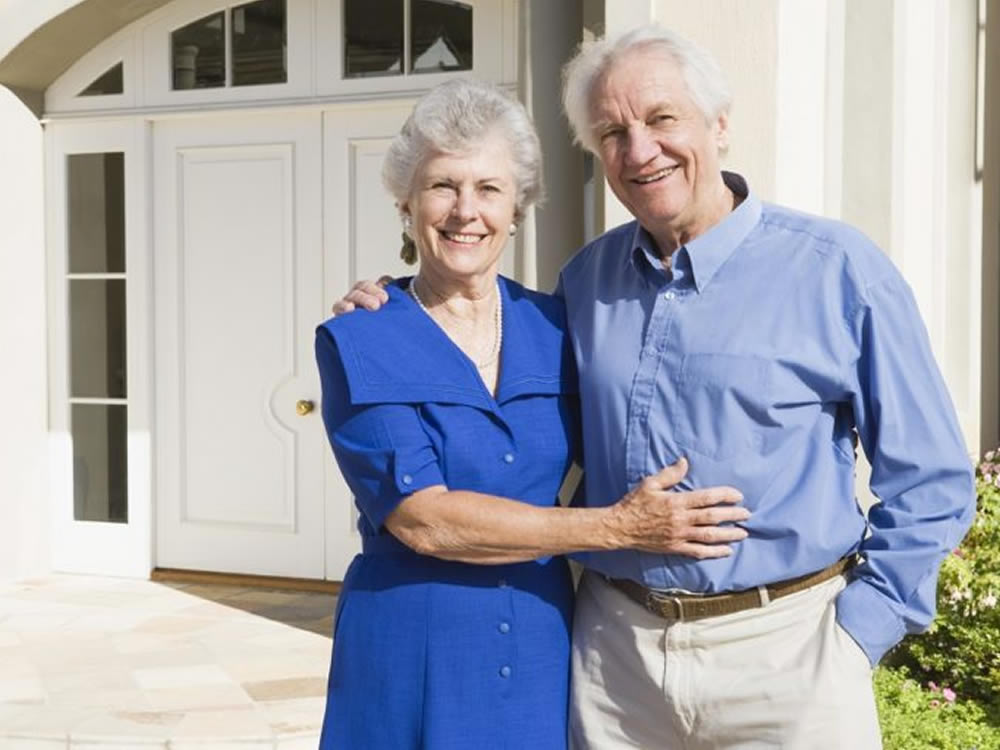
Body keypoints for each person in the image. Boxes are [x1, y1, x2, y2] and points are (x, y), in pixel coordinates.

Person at [333, 26, 977, 749]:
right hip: (616, 662)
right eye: (612, 132)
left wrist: (860, 634)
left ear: (721, 124)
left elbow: (933, 478)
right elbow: (458, 369)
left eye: (662, 119)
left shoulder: (836, 271)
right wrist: (389, 302)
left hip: (788, 658)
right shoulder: (586, 283)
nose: (640, 150)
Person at [315, 77, 750, 749]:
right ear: (406, 203)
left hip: (544, 637)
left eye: (489, 189)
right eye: (442, 186)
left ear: (517, 208)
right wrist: (615, 528)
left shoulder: (557, 325)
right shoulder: (361, 338)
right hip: (413, 641)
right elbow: (424, 521)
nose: (466, 211)